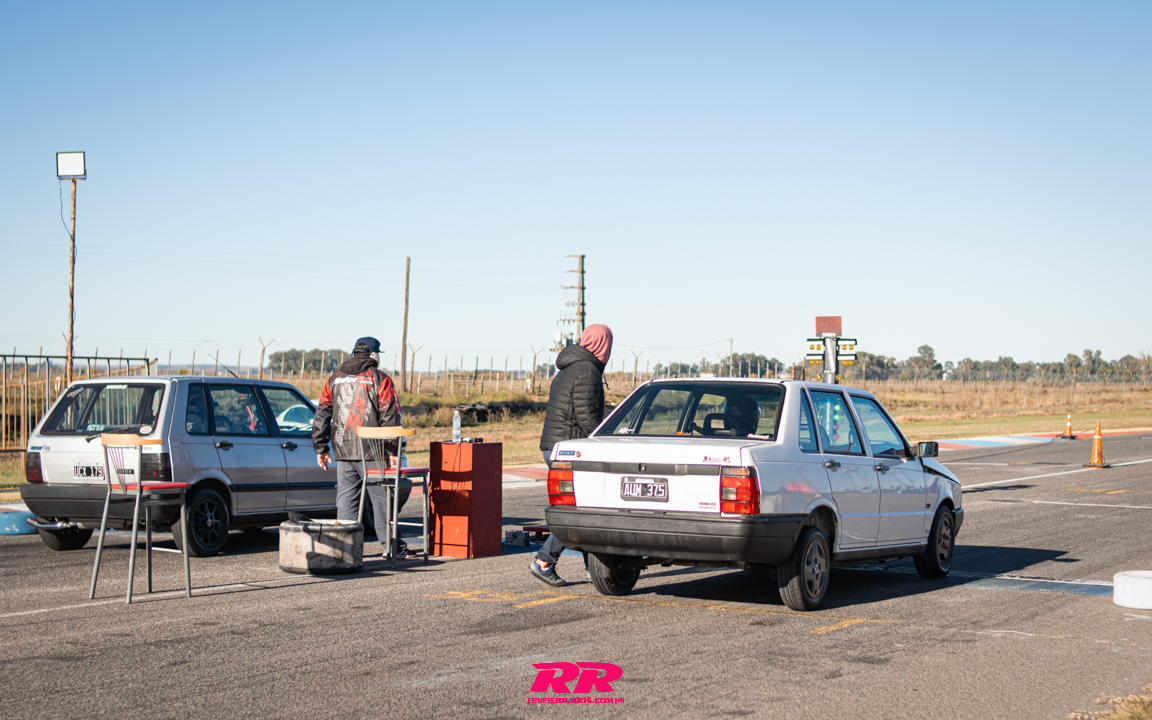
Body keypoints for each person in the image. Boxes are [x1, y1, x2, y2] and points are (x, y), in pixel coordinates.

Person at [530, 324, 613, 587]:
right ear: (602, 345)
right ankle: (544, 561)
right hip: (569, 448)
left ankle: (593, 568)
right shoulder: (588, 370)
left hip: (555, 446)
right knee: (580, 511)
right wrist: (605, 439)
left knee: (587, 505)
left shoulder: (570, 367)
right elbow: (586, 415)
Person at [311, 337, 407, 555]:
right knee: (382, 501)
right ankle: (392, 548)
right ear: (374, 355)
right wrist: (393, 451)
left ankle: (345, 551)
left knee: (346, 502)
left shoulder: (333, 379)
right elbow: (390, 417)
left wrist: (321, 448)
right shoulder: (380, 378)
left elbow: (322, 414)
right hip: (374, 452)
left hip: (343, 450)